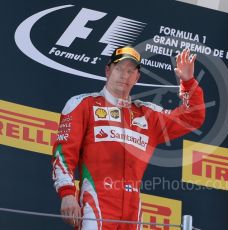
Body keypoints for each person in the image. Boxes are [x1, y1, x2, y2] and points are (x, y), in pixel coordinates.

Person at [52, 45, 205, 230]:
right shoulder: (83, 104)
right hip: (96, 206)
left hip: (133, 212)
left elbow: (192, 117)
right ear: (108, 71)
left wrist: (187, 82)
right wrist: (67, 193)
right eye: (119, 69)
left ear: (137, 77)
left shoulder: (147, 114)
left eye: (131, 71)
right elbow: (64, 153)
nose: (125, 75)